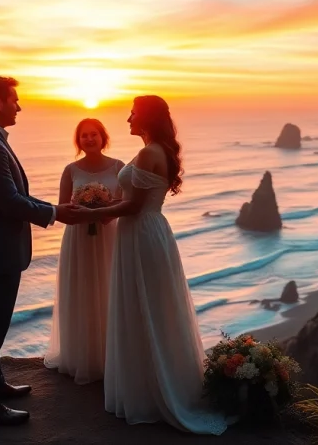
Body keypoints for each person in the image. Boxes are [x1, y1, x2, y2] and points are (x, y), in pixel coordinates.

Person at [84, 95, 227, 435]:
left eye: (133, 113)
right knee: (149, 306)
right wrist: (106, 207)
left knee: (144, 305)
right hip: (146, 232)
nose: (128, 118)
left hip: (142, 233)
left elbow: (133, 206)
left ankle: (152, 392)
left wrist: (95, 212)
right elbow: (131, 199)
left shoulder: (150, 152)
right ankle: (147, 384)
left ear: (145, 117)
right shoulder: (154, 148)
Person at [0, 76, 85, 426]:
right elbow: (10, 202)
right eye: (15, 100)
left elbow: (14, 197)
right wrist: (56, 212)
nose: (20, 106)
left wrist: (51, 210)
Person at [44, 119, 124, 384]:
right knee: (81, 292)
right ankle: (81, 357)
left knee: (108, 290)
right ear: (79, 141)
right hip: (78, 238)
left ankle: (109, 357)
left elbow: (124, 204)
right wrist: (83, 212)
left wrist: (103, 210)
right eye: (84, 136)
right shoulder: (71, 170)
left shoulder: (118, 167)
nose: (89, 139)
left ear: (103, 137)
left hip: (109, 235)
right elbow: (63, 208)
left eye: (94, 134)